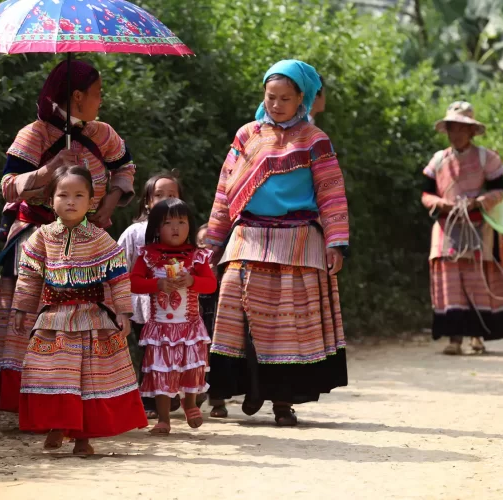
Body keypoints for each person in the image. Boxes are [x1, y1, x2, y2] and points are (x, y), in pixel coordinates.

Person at [204, 59, 349, 426]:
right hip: (248, 237)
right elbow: (225, 191)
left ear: (302, 98)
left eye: (286, 98)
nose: (277, 104)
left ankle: (283, 401)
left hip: (297, 240)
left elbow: (331, 193)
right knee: (235, 314)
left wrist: (335, 243)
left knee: (288, 324)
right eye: (271, 97)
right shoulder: (246, 135)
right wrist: (214, 241)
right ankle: (246, 388)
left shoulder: (314, 140)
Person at [0, 59, 136, 413]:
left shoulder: (103, 133)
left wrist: (108, 206)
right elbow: (8, 186)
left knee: (90, 316)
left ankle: (86, 401)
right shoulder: (35, 134)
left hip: (89, 240)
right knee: (35, 316)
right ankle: (37, 403)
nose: (101, 100)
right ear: (78, 96)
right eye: (97, 93)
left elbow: (125, 169)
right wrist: (48, 170)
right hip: (38, 239)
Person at [13, 165, 147, 455]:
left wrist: (123, 312)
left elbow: (119, 277)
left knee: (89, 379)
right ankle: (56, 426)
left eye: (79, 195)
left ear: (91, 201)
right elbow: (29, 275)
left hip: (92, 320)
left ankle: (83, 439)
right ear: (51, 200)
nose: (71, 201)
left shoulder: (100, 238)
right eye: (63, 195)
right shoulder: (41, 237)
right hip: (53, 320)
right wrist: (22, 308)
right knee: (51, 374)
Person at [421, 101, 503, 355]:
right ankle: (454, 339)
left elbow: (499, 190)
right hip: (447, 228)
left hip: (479, 227)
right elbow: (426, 193)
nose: (456, 133)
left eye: (461, 128)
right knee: (451, 284)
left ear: (471, 131)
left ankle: (477, 335)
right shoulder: (438, 160)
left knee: (477, 281)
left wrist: (478, 202)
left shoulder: (487, 158)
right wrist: (441, 204)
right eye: (452, 127)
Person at [129, 199, 217, 433]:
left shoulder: (197, 256)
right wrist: (156, 284)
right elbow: (133, 283)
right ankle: (164, 419)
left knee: (191, 367)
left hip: (190, 326)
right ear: (157, 228)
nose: (175, 228)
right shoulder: (147, 255)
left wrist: (192, 280)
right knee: (161, 370)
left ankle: (190, 403)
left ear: (191, 226)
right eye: (168, 223)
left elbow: (210, 285)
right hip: (160, 328)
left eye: (181, 222)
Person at [117, 171, 183, 419]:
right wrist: (120, 307)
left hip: (176, 307)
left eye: (171, 194)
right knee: (149, 352)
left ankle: (168, 392)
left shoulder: (183, 232)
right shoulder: (134, 233)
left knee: (172, 350)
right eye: (159, 195)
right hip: (143, 307)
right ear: (147, 201)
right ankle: (149, 400)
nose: (165, 199)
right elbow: (119, 269)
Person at [196, 223, 227, 418]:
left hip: (218, 319)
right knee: (196, 359)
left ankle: (218, 402)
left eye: (212, 243)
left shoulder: (225, 267)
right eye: (201, 243)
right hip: (196, 320)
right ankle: (195, 397)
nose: (207, 247)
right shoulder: (191, 265)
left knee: (217, 359)